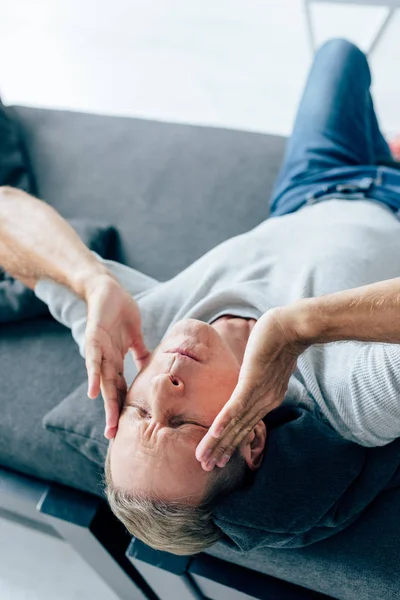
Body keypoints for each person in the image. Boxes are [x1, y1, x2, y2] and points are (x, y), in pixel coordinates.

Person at [2, 38, 400, 555]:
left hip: (314, 186)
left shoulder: (136, 343)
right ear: (252, 439)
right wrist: (296, 327)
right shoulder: (346, 399)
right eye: (184, 422)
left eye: (141, 415)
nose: (164, 388)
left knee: (339, 55)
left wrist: (89, 280)